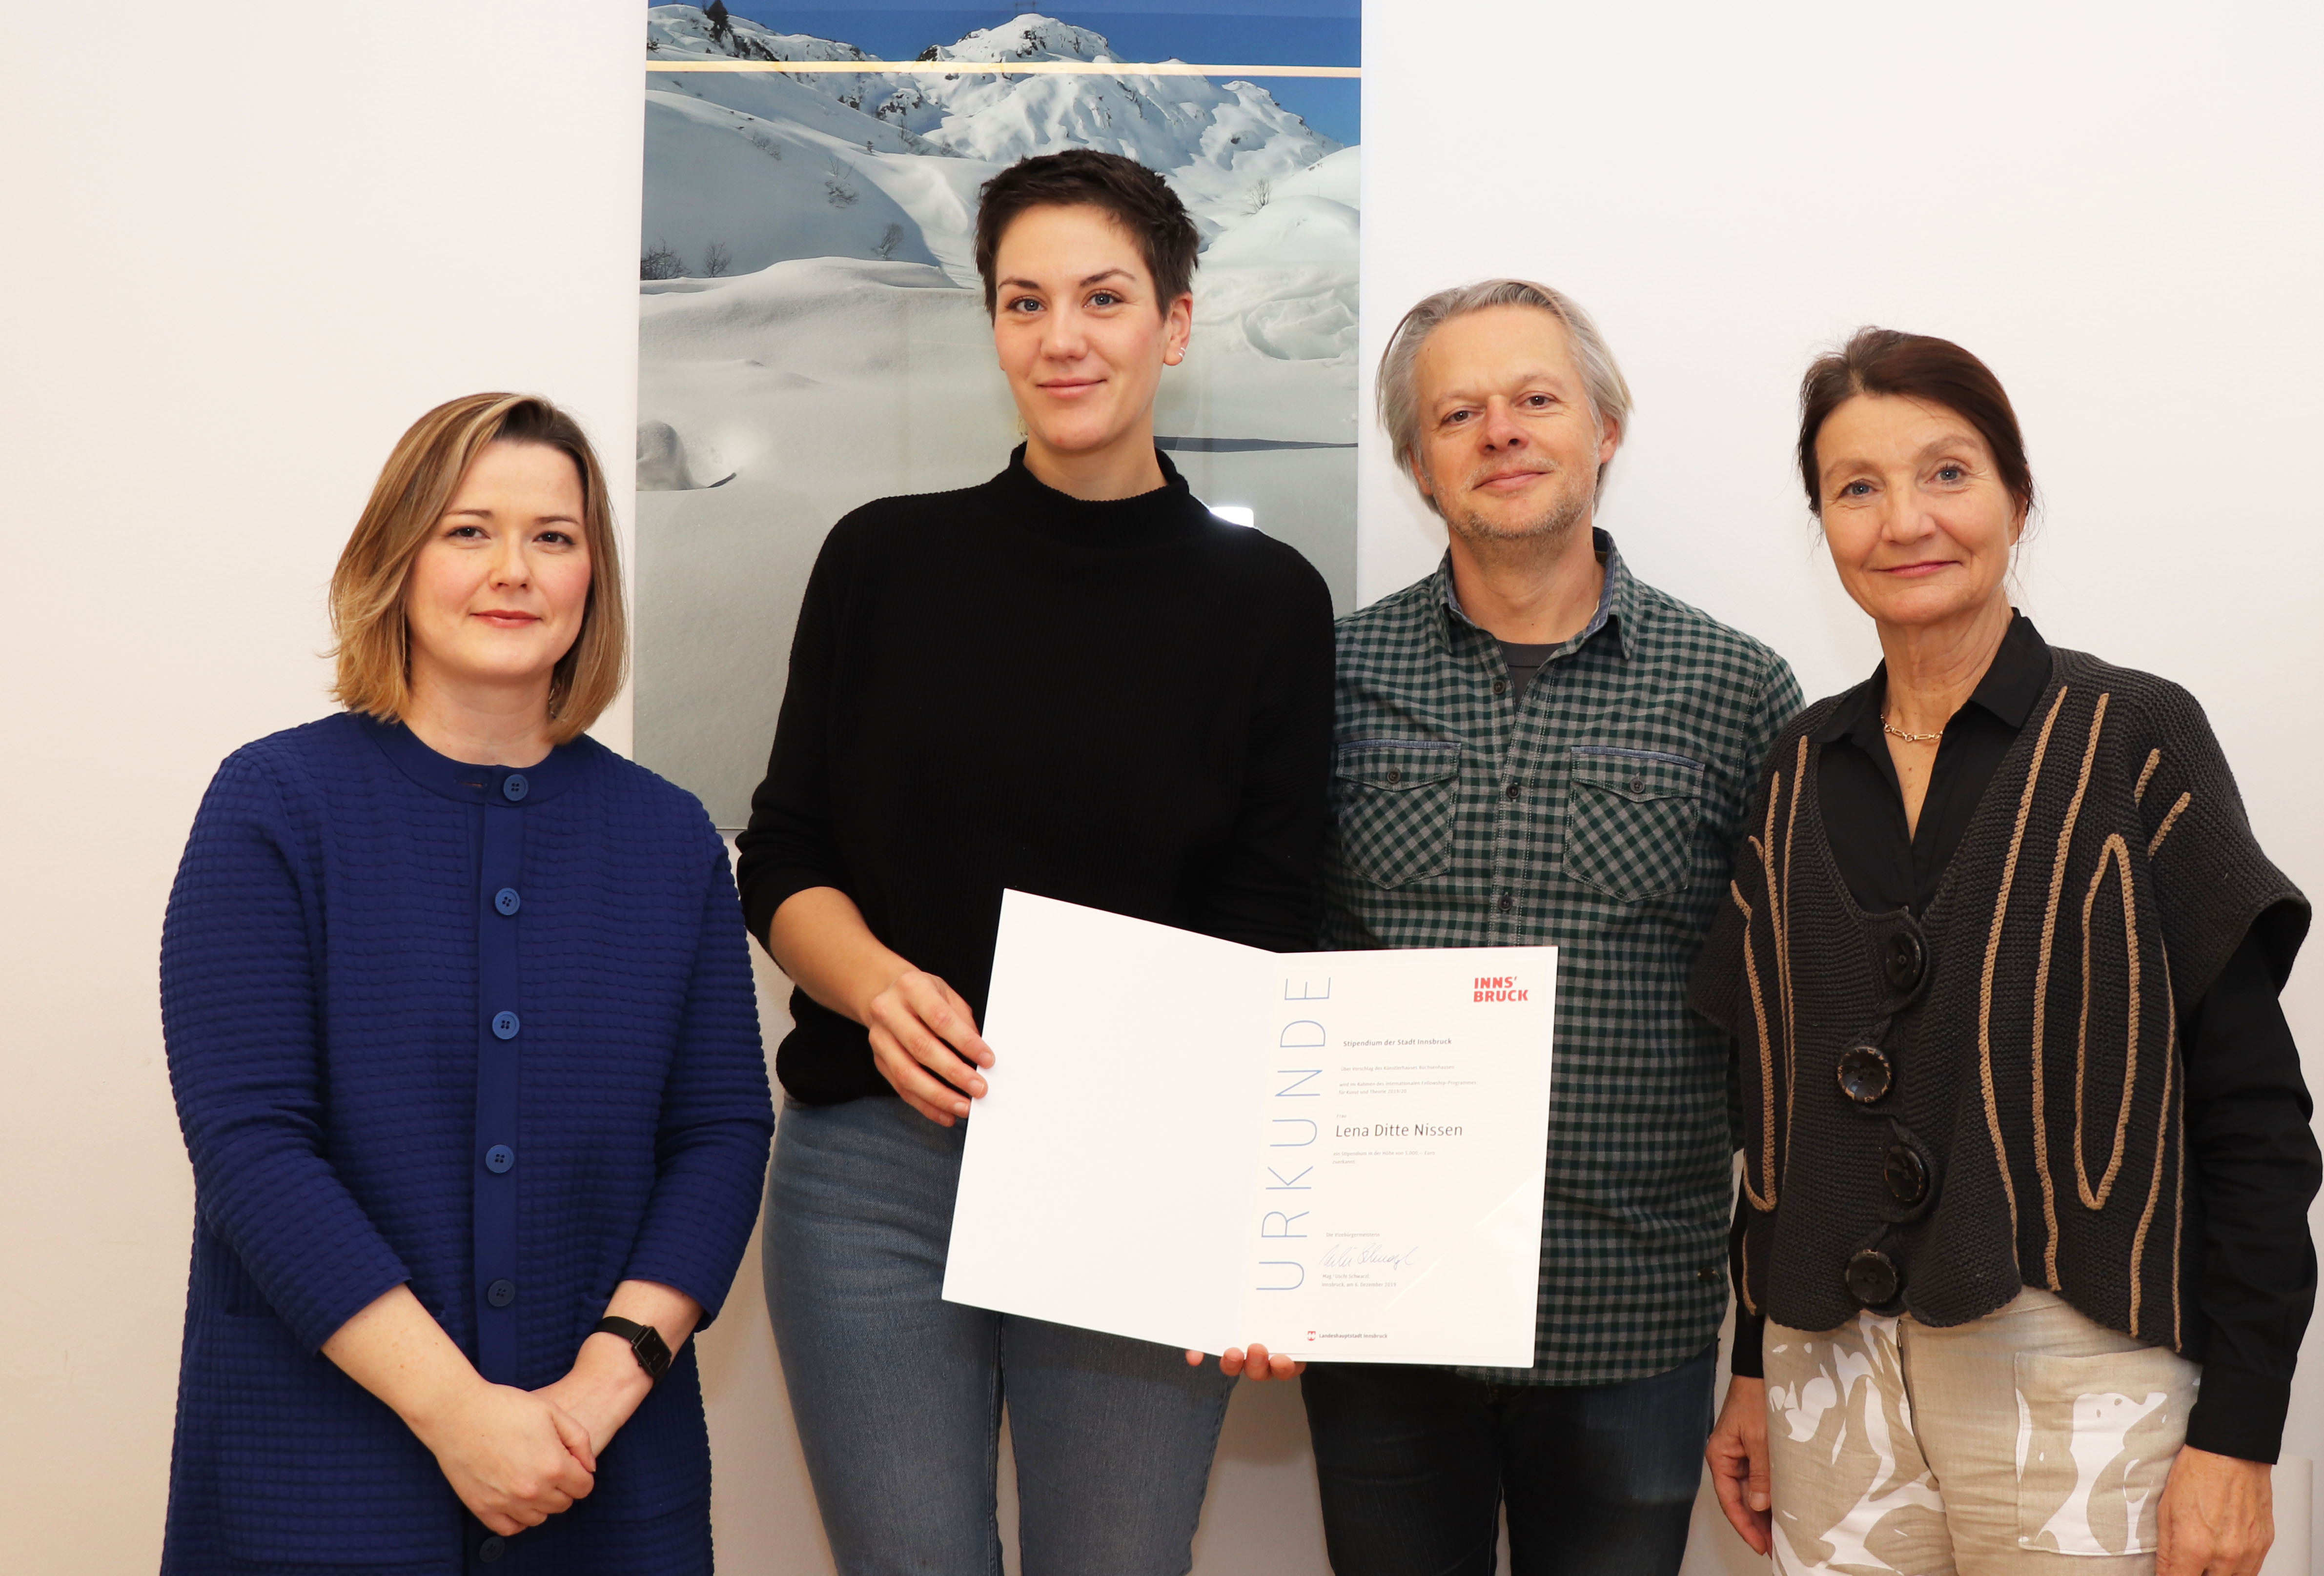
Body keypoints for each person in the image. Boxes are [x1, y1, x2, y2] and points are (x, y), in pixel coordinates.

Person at [734, 148, 1335, 1575]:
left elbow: (1262, 933)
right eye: (1023, 301)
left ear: (1173, 324)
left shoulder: (1267, 601)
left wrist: (1248, 1225)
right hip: (874, 1168)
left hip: (1134, 1168)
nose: (1061, 337)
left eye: (1102, 297)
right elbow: (785, 851)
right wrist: (878, 988)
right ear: (992, 324)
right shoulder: (880, 559)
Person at [1693, 328, 2318, 1576]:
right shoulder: (1794, 772)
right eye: (1855, 487)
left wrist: (2240, 1436)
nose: (1903, 519)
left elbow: (2255, 1117)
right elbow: (1770, 1128)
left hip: (2085, 1373)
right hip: (1831, 1384)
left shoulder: (2136, 739)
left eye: (1946, 472)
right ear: (1821, 521)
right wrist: (1753, 1367)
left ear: (2015, 498)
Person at [158, 394, 775, 1575]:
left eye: (553, 535)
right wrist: (459, 1413)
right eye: (467, 530)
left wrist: (587, 1404)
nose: (514, 570)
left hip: (600, 1470)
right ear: (396, 555)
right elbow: (252, 1145)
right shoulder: (275, 807)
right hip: (322, 1470)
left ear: (593, 573)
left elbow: (719, 1135)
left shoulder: (670, 837)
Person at [1305, 278, 1802, 1576]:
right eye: (1456, 412)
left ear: (1604, 430)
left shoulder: (1737, 690)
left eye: (1535, 398)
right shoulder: (1323, 679)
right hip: (1381, 1315)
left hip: (1629, 1317)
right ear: (1418, 464)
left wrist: (1758, 1351)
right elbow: (1270, 977)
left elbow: (1780, 1049)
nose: (1499, 431)